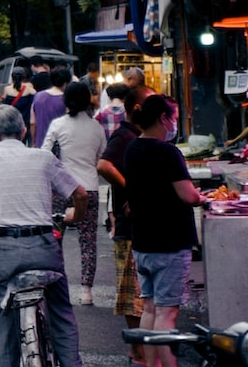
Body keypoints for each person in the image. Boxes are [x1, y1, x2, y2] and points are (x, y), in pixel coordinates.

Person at [0, 104, 87, 367]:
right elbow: (81, 194)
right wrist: (75, 216)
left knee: (3, 323)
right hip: (43, 247)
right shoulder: (43, 157)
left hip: (4, 251)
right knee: (61, 313)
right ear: (22, 130)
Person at [123, 94, 204, 367]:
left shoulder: (132, 149)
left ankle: (149, 363)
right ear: (163, 118)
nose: (175, 123)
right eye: (175, 117)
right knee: (167, 314)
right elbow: (188, 196)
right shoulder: (168, 151)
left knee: (149, 307)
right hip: (170, 242)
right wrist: (202, 196)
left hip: (143, 242)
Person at [43, 82, 106, 305]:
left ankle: (56, 284)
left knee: (55, 238)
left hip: (61, 188)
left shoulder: (58, 125)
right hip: (88, 187)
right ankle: (86, 290)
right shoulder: (97, 127)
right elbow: (100, 157)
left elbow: (44, 154)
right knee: (88, 240)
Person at [97, 86, 146, 364]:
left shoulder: (137, 136)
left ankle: (140, 348)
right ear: (137, 109)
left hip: (136, 223)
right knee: (132, 293)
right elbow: (104, 166)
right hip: (128, 225)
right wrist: (131, 190)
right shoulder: (124, 135)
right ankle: (137, 349)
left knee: (138, 291)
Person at [30, 66, 70, 147]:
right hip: (59, 145)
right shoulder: (66, 100)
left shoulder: (38, 96)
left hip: (40, 144)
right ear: (65, 83)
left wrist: (34, 141)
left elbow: (32, 123)